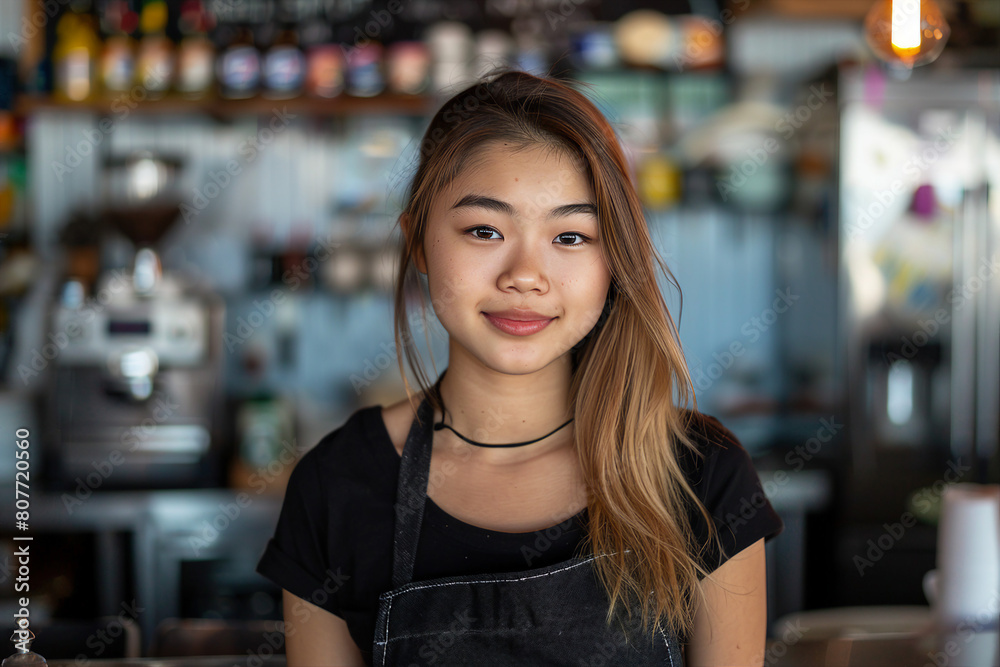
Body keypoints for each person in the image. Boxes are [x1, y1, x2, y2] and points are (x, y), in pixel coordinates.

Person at [256, 69, 784, 666]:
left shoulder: (702, 476)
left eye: (571, 236)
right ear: (418, 244)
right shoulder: (335, 486)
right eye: (485, 230)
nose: (525, 274)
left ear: (615, 260)